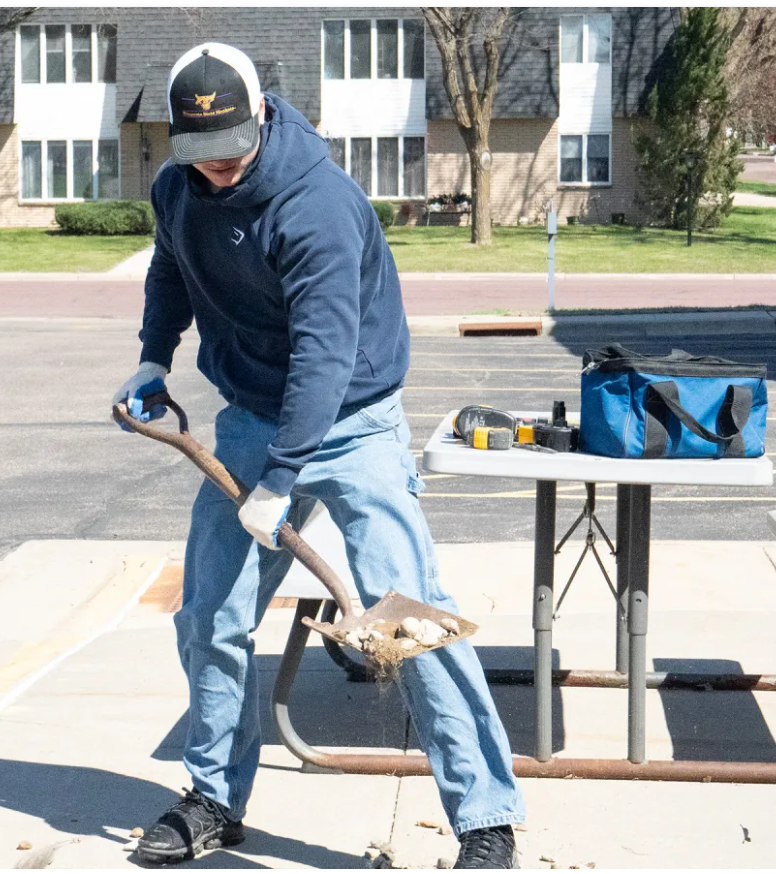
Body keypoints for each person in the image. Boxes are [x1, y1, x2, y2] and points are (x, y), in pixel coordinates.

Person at [114, 44, 525, 868]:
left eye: (232, 147)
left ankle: (486, 819)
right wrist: (154, 357)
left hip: (354, 418)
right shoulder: (178, 187)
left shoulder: (318, 205)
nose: (219, 167)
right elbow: (171, 266)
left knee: (412, 617)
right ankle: (213, 797)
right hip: (250, 416)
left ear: (262, 115)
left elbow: (325, 357)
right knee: (210, 614)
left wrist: (281, 476)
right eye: (202, 152)